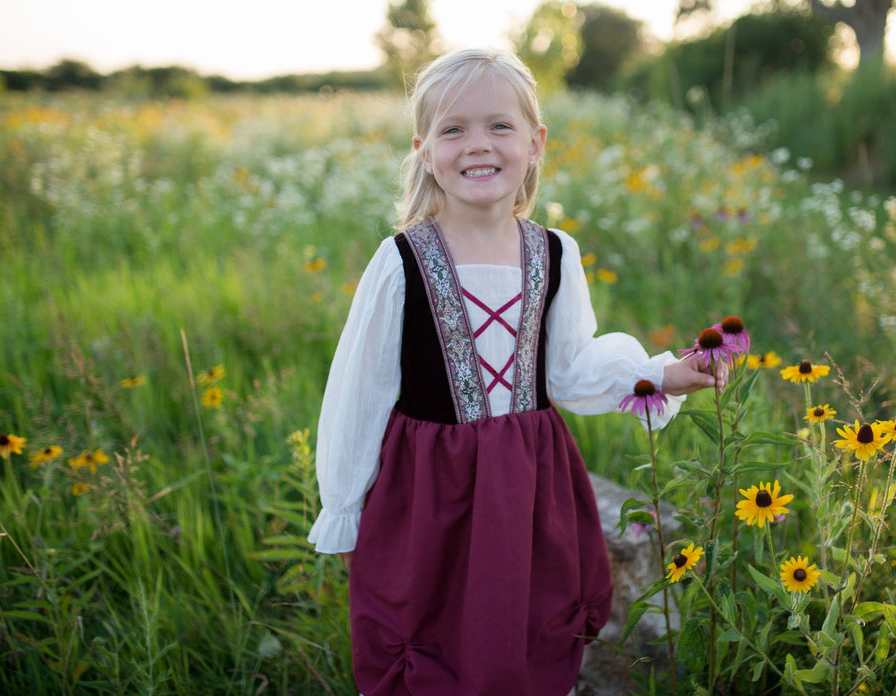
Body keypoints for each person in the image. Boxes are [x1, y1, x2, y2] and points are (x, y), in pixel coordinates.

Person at [307, 48, 722, 696]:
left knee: (530, 627)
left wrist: (658, 376)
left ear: (535, 143)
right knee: (432, 637)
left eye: (499, 126)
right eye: (454, 129)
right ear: (423, 149)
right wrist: (343, 504)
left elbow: (570, 368)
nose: (478, 145)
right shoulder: (400, 262)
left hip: (528, 486)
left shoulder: (555, 253)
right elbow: (358, 394)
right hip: (429, 495)